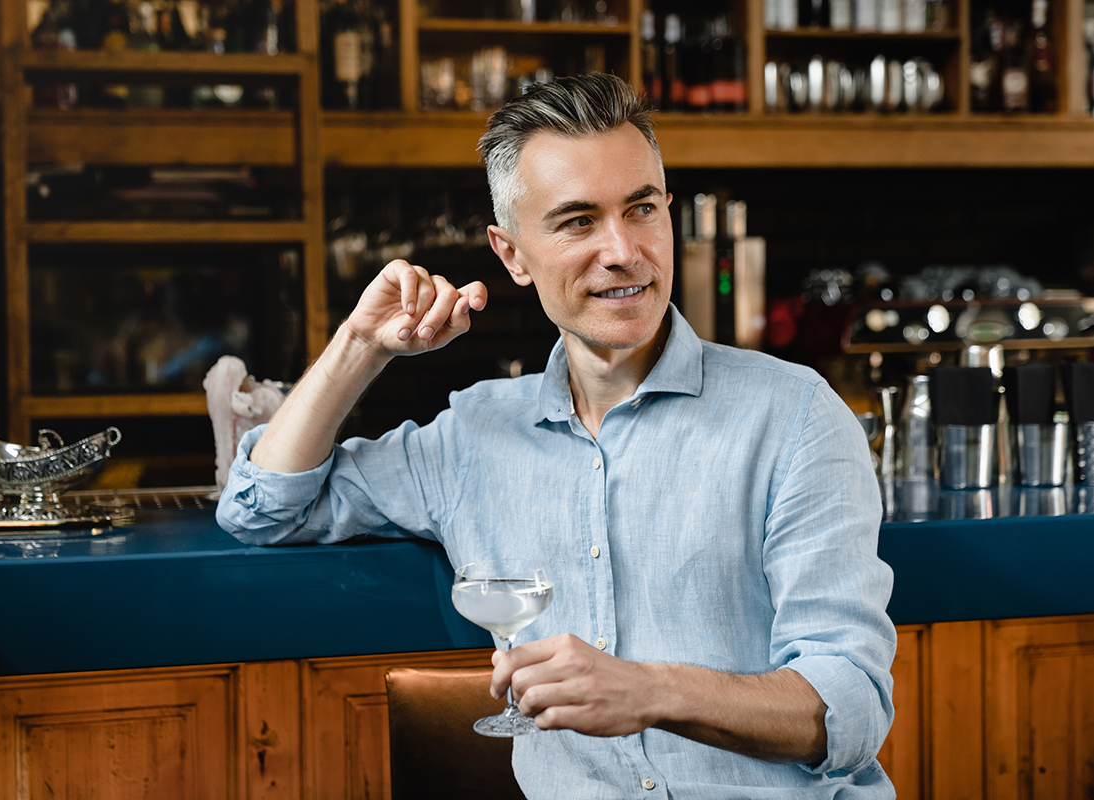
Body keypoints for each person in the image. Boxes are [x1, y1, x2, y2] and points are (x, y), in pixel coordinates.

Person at [218, 72, 896, 798]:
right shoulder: (474, 435)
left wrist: (649, 691)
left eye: (642, 210)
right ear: (511, 255)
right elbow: (262, 507)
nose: (623, 250)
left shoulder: (795, 416)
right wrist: (361, 345)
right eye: (578, 222)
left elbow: (849, 707)